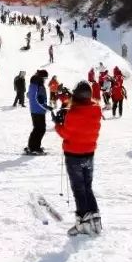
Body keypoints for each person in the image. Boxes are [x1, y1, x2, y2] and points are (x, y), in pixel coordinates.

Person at [53, 81, 103, 235]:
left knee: (79, 189)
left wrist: (57, 124)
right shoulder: (96, 109)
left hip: (74, 155)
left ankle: (83, 223)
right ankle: (95, 218)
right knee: (87, 186)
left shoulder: (73, 113)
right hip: (89, 153)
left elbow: (65, 134)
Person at [24, 70, 51, 155]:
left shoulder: (34, 84)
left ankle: (32, 146)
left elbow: (28, 95)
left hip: (35, 110)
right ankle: (34, 148)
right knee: (40, 129)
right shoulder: (38, 84)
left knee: (37, 129)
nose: (45, 80)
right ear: (41, 77)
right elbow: (38, 99)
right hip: (38, 111)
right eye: (44, 78)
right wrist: (46, 107)